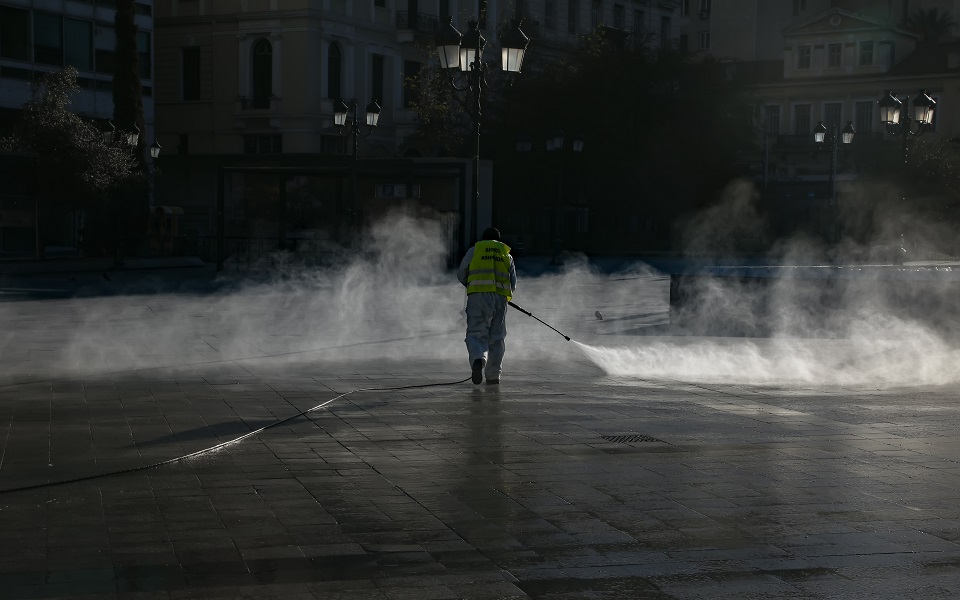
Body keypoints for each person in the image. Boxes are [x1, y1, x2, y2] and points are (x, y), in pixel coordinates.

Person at [457, 227, 517, 385]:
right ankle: (493, 376)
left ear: (483, 238)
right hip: (499, 299)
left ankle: (478, 359)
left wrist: (473, 285)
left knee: (476, 333)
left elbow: (461, 274)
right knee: (497, 337)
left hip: (477, 297)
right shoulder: (506, 254)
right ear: (499, 240)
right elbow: (513, 282)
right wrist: (503, 295)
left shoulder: (474, 251)